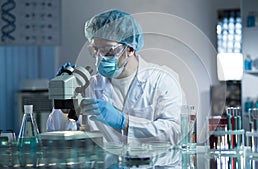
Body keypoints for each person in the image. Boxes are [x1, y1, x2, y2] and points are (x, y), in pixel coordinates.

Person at [47, 9, 184, 145]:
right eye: (95, 50)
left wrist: (125, 122)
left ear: (130, 49)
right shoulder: (89, 86)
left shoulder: (162, 80)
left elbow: (174, 134)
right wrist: (64, 108)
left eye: (108, 50)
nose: (100, 57)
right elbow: (56, 135)